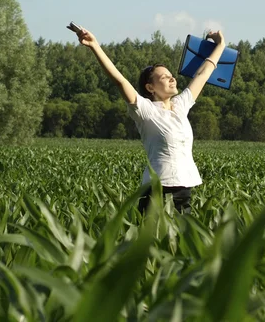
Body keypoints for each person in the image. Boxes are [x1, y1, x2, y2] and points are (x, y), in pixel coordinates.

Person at [74, 26, 226, 214]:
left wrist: (220, 45)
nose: (172, 79)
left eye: (172, 76)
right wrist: (94, 45)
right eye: (164, 77)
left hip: (184, 190)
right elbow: (120, 80)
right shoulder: (145, 111)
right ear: (150, 87)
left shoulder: (181, 105)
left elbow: (203, 74)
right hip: (157, 192)